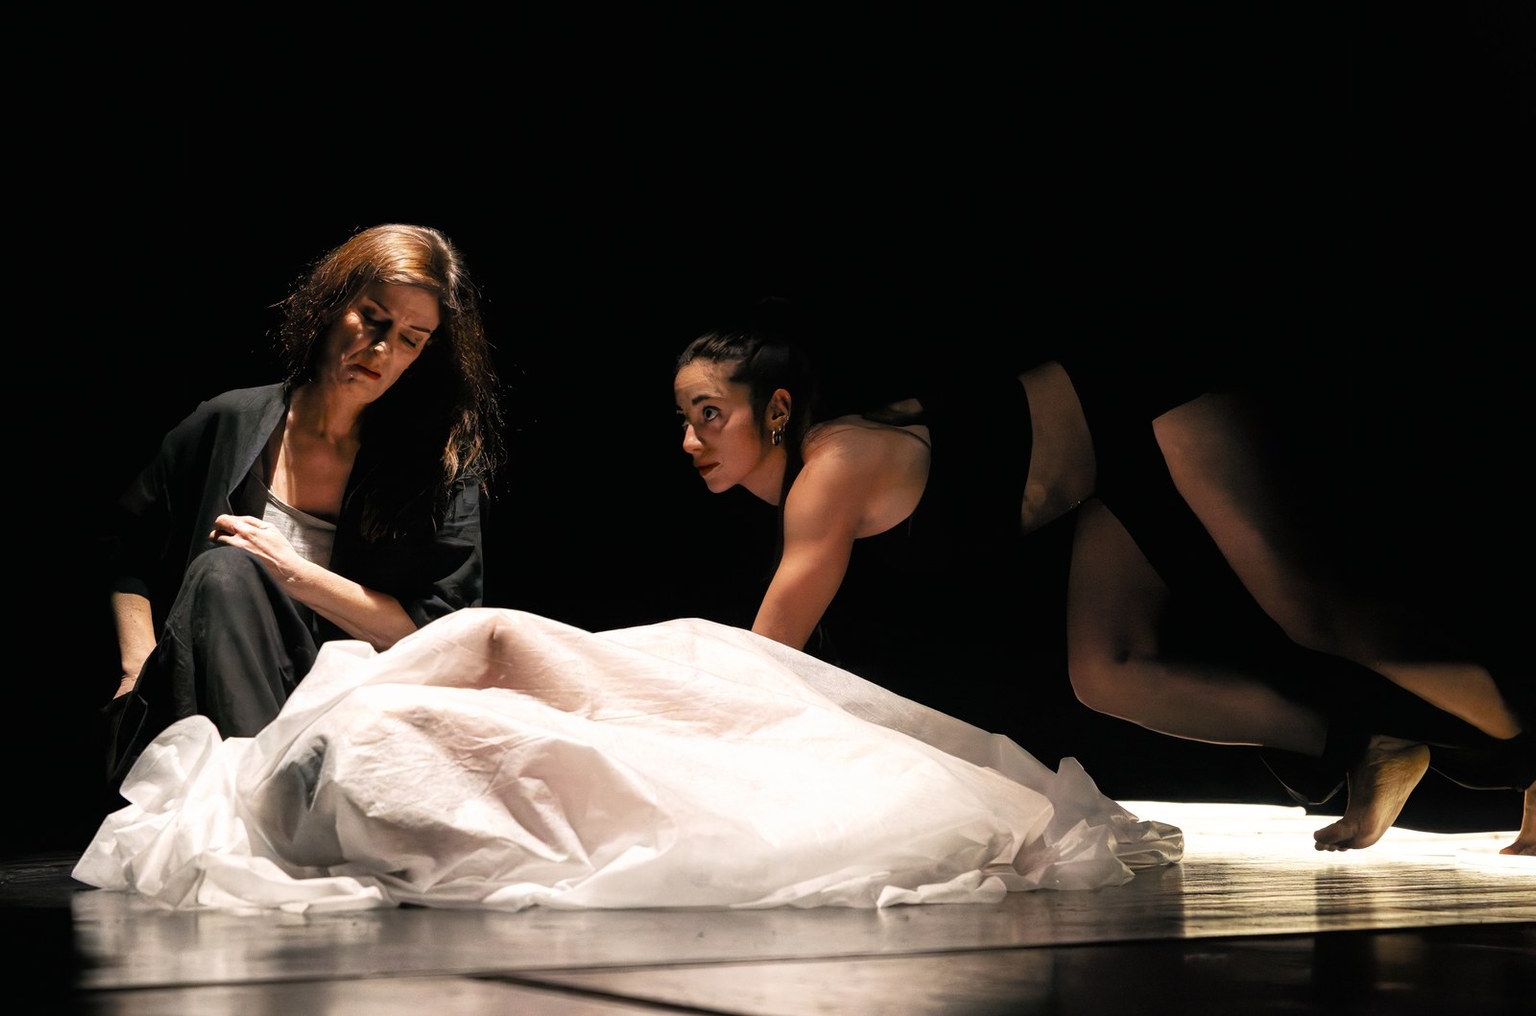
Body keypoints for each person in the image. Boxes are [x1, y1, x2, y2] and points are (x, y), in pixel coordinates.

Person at [671, 300, 1533, 857]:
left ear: (776, 410)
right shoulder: (819, 479)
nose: (691, 440)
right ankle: (1367, 746)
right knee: (1108, 671)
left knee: (1312, 611)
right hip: (1103, 478)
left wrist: (673, 762)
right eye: (684, 418)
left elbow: (768, 658)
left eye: (710, 414)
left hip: (1149, 398)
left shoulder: (829, 474)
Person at [74, 606, 1183, 911]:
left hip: (445, 709)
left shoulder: (373, 724)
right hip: (406, 735)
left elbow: (504, 643)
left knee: (695, 727)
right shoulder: (376, 743)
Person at [101, 223, 506, 788]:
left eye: (411, 339)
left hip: (352, 721)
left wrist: (296, 574)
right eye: (373, 317)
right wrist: (134, 668)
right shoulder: (227, 422)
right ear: (332, 303)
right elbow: (129, 548)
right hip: (209, 713)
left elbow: (441, 634)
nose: (383, 349)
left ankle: (274, 799)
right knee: (225, 571)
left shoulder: (437, 468)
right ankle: (265, 796)